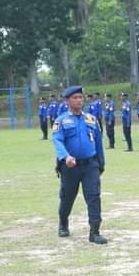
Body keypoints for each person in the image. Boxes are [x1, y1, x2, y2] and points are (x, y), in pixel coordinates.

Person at [51, 86, 107, 244]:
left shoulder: (91, 119)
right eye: (75, 97)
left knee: (94, 197)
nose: (78, 100)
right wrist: (65, 156)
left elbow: (98, 142)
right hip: (70, 167)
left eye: (80, 97)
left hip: (90, 165)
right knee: (67, 197)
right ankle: (63, 223)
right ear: (67, 100)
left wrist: (101, 163)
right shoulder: (61, 121)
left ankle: (95, 232)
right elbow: (57, 140)